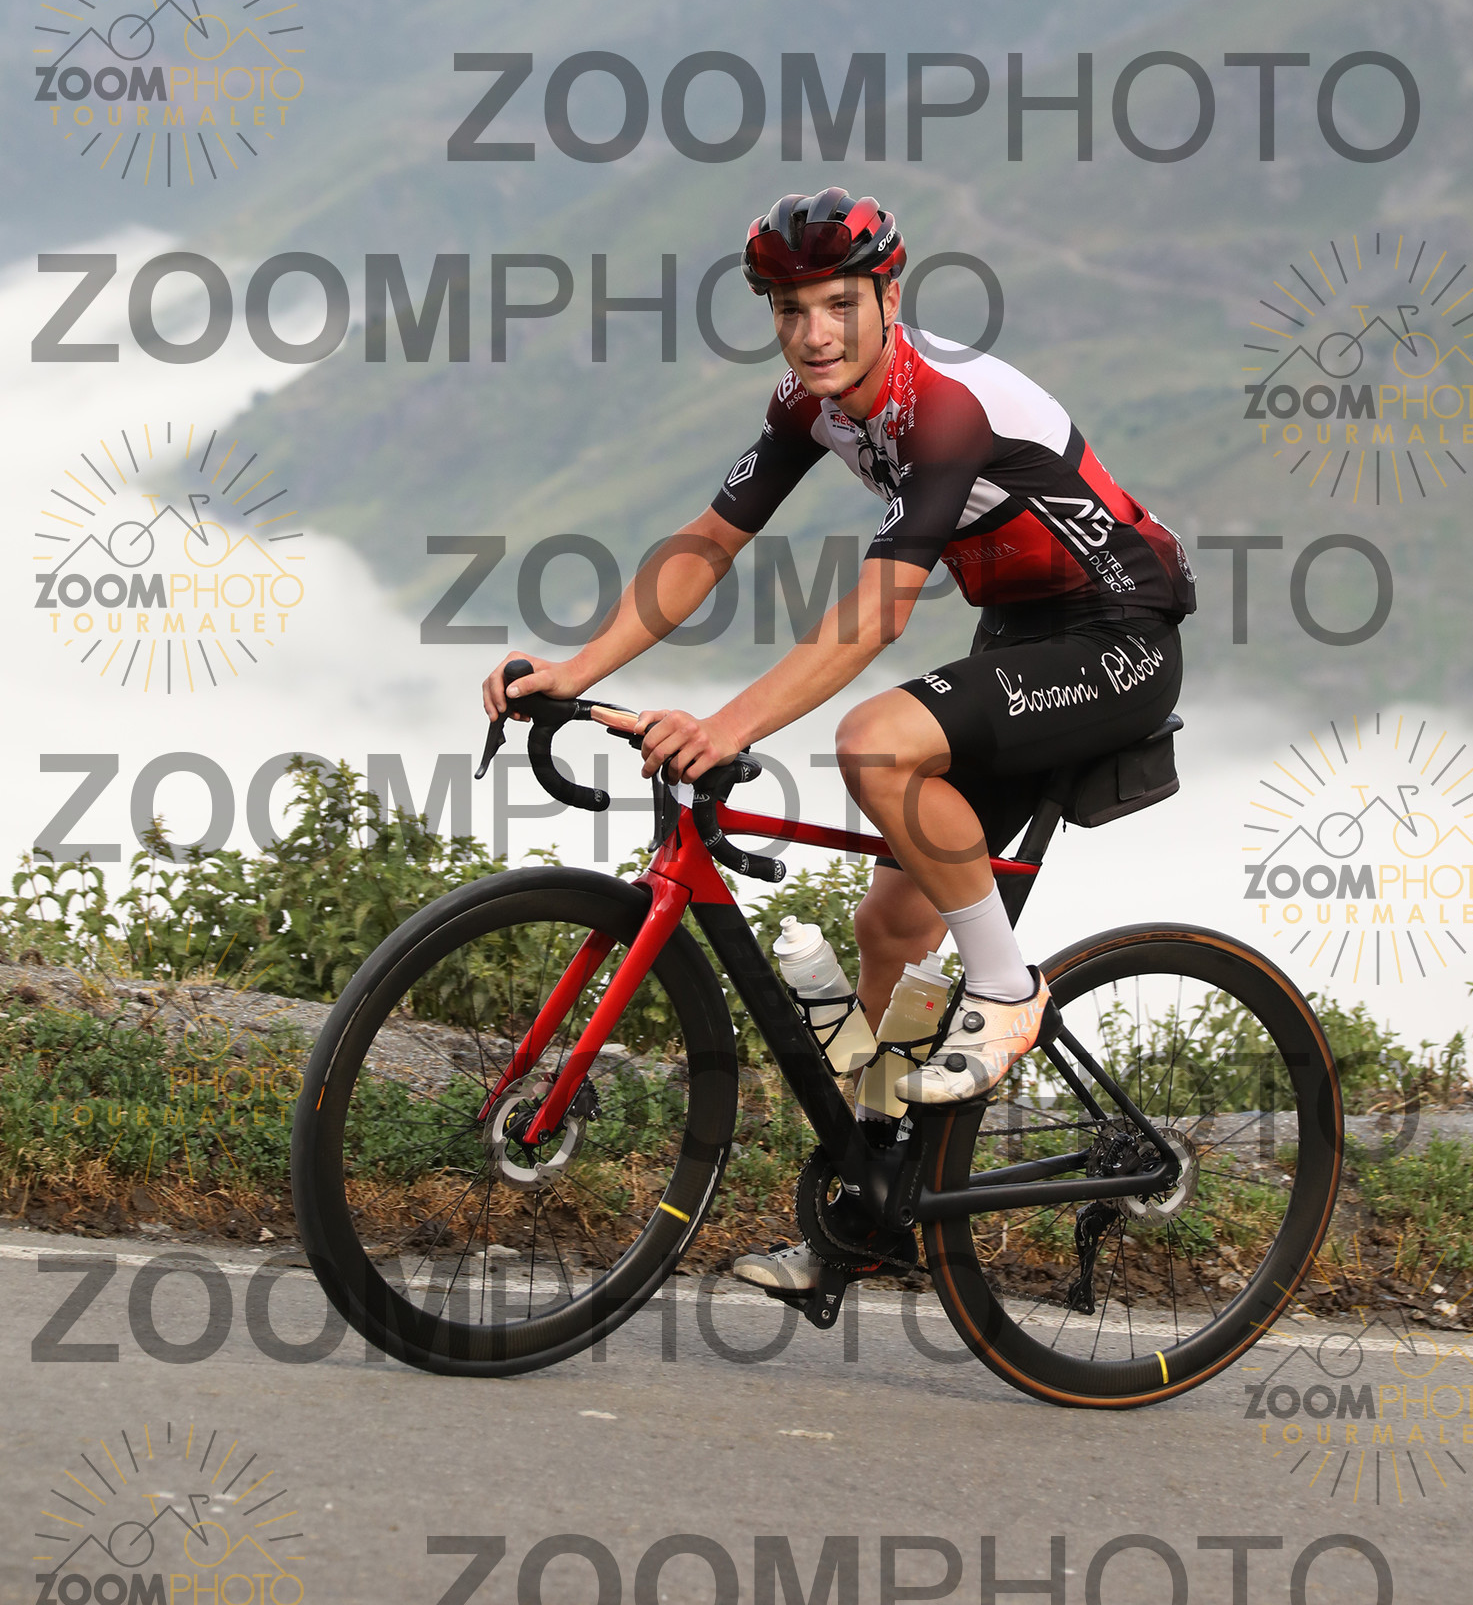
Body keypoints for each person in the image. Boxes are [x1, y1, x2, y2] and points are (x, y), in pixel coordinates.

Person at [482, 188, 1194, 1293]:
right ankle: (870, 1215)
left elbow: (875, 617)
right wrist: (577, 670)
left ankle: (1008, 993)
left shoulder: (943, 408)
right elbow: (709, 542)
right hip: (1022, 639)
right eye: (790, 309)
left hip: (1120, 638)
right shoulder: (812, 406)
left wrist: (725, 726)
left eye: (838, 305)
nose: (814, 332)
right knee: (891, 928)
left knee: (874, 744)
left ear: (888, 299)